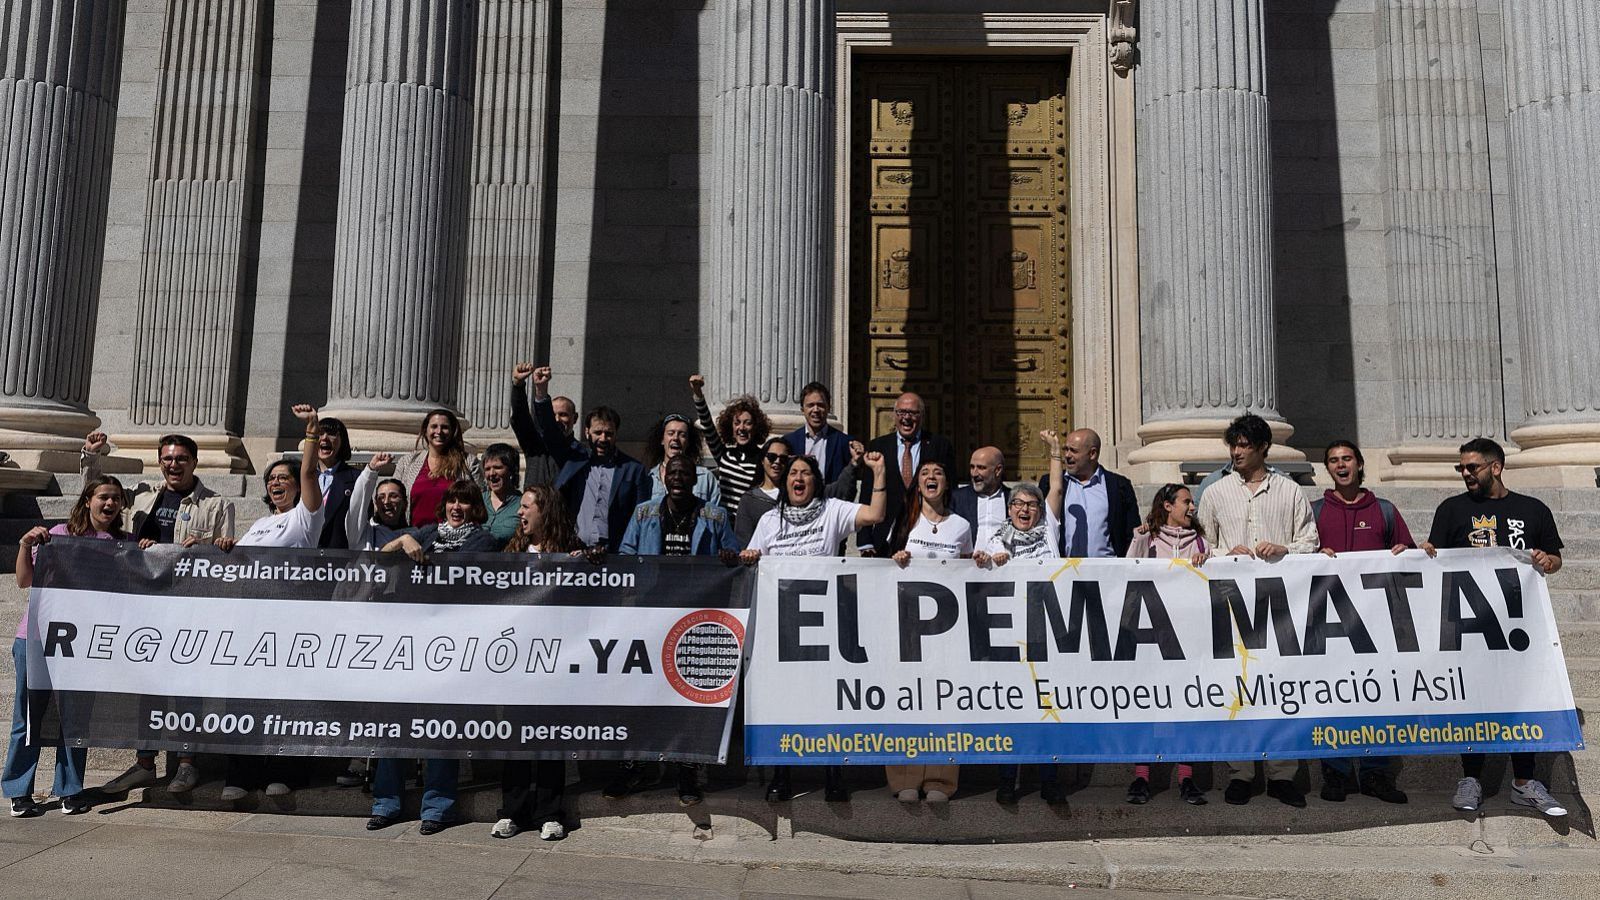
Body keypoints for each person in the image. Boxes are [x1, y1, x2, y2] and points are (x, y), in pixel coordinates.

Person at [1422, 438, 1566, 817]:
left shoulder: (1533, 509)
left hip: (1519, 626)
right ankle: (1471, 778)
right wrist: (1426, 553)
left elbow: (1554, 558)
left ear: (1496, 467)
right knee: (1472, 698)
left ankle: (1524, 781)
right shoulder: (1451, 510)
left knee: (1522, 698)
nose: (1465, 473)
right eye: (1461, 468)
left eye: (1472, 467)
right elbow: (1435, 560)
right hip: (1469, 626)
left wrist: (1546, 561)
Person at [86, 430, 233, 797]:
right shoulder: (141, 497)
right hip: (146, 606)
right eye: (167, 458)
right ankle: (145, 762)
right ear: (159, 461)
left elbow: (227, 560)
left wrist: (204, 548)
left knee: (186, 688)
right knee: (147, 688)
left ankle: (186, 762)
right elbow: (95, 496)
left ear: (194, 462)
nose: (173, 464)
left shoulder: (217, 505)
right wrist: (91, 457)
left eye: (181, 458)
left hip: (189, 609)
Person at [742, 451, 889, 802]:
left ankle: (833, 773)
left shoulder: (832, 510)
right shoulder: (768, 520)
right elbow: (751, 560)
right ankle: (781, 774)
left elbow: (875, 514)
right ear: (785, 481)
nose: (798, 478)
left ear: (815, 481)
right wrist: (750, 557)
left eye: (806, 473)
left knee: (826, 700)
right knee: (783, 701)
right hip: (782, 627)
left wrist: (879, 472)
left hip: (826, 624)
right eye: (793, 472)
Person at [1195, 413, 1318, 807]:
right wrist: (1224, 553)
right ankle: (1241, 773)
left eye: (1245, 445)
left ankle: (1283, 774)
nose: (1237, 452)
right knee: (1236, 687)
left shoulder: (1290, 491)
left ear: (1263, 447)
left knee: (1281, 685)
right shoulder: (1214, 492)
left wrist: (1284, 549)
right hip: (1231, 604)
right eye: (1234, 445)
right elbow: (1201, 548)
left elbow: (1310, 542)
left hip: (1280, 604)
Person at [609, 456, 741, 805]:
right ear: (664, 477)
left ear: (695, 479)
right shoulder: (643, 513)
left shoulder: (715, 516)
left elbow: (735, 555)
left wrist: (729, 557)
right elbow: (626, 555)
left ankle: (687, 772)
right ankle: (635, 765)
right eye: (674, 473)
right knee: (642, 694)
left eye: (686, 474)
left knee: (689, 698)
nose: (679, 478)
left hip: (696, 618)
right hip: (651, 615)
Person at [370, 483, 500, 836]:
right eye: (452, 500)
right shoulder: (427, 532)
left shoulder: (483, 540)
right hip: (411, 641)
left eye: (465, 502)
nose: (457, 507)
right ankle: (386, 803)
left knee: (440, 728)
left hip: (452, 645)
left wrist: (421, 555)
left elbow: (453, 574)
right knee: (395, 723)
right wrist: (402, 540)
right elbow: (381, 558)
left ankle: (438, 807)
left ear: (476, 508)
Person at [221, 406, 328, 800]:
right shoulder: (259, 524)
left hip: (290, 622)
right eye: (271, 479)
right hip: (251, 623)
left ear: (297, 486)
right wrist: (226, 547)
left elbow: (311, 473)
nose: (276, 483)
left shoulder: (305, 519)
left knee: (287, 698)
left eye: (284, 477)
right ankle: (239, 773)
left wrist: (311, 433)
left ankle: (286, 771)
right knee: (244, 698)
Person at [7, 476, 126, 816]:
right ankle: (19, 791)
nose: (110, 503)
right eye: (103, 496)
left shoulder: (124, 543)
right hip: (37, 639)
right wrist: (24, 545)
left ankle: (70, 790)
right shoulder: (57, 535)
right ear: (88, 500)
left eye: (116, 498)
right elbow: (24, 580)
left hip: (84, 643)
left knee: (76, 721)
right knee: (28, 718)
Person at [1314, 440, 1412, 805]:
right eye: (1333, 460)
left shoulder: (1384, 510)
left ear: (1359, 463)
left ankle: (1375, 773)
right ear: (1328, 468)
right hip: (1329, 624)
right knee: (1331, 697)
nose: (1341, 465)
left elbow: (1410, 556)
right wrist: (1313, 555)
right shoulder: (1315, 511)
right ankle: (1336, 772)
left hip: (1376, 624)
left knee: (1377, 697)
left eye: (1346, 459)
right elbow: (1298, 558)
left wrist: (1405, 553)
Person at [975, 432, 1066, 804]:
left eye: (1032, 505)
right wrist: (985, 562)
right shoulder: (994, 539)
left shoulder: (1050, 530)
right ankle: (1006, 780)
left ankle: (1049, 781)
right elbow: (978, 575)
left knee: (1046, 706)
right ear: (1009, 509)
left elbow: (1056, 488)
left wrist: (1055, 452)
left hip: (1046, 633)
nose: (1025, 510)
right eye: (1018, 504)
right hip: (1009, 636)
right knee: (1011, 706)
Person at [492, 484, 583, 841]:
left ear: (545, 511)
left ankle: (550, 813)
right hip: (516, 661)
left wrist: (585, 565)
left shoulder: (571, 552)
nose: (519, 512)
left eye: (527, 506)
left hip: (555, 661)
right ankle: (511, 812)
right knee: (515, 738)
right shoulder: (512, 552)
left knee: (549, 738)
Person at [886, 459, 971, 804]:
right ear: (917, 484)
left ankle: (940, 778)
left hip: (948, 628)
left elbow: (967, 572)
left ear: (947, 483)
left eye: (938, 472)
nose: (931, 477)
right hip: (907, 623)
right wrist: (895, 560)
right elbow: (882, 566)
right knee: (906, 699)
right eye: (924, 473)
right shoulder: (905, 521)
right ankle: (904, 777)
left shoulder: (962, 525)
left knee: (945, 700)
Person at [1123, 483, 1208, 807]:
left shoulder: (1200, 542)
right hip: (1150, 637)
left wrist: (1207, 560)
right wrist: (1139, 538)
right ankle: (1141, 776)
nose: (1192, 507)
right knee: (1147, 704)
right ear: (1168, 506)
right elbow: (1128, 573)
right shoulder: (1148, 539)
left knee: (1187, 705)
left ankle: (1186, 777)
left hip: (1189, 637)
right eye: (1187, 501)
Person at [527, 366, 651, 550]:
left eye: (609, 434)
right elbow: (551, 432)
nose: (603, 439)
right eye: (598, 432)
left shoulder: (634, 470)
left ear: (616, 434)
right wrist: (541, 391)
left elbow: (642, 518)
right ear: (587, 433)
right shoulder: (575, 459)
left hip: (616, 554)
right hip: (574, 550)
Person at [858, 392, 956, 554]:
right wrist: (865, 542)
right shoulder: (878, 446)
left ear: (922, 416)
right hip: (884, 539)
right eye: (901, 412)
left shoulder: (939, 445)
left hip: (929, 536)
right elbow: (867, 494)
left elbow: (951, 491)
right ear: (894, 415)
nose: (906, 418)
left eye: (913, 413)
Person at [1042, 428, 1141, 558]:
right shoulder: (1049, 484)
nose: (1067, 455)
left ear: (1092, 454)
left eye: (1073, 451)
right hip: (1063, 568)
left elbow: (1132, 533)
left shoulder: (1119, 486)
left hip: (1107, 567)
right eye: (1065, 449)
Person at [689, 373, 770, 520]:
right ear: (731, 427)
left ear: (756, 427)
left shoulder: (763, 459)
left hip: (746, 526)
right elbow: (707, 424)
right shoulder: (724, 455)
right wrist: (698, 393)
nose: (741, 428)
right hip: (723, 525)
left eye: (747, 423)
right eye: (737, 423)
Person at [393, 408, 483, 528]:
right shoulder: (407, 462)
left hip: (455, 535)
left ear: (453, 432)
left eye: (445, 427)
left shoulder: (468, 463)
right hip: (414, 534)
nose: (439, 431)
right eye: (434, 426)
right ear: (425, 431)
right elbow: (393, 495)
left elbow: (481, 501)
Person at [297, 408, 361, 549]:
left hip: (337, 555)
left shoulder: (356, 479)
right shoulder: (299, 477)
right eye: (320, 433)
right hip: (302, 552)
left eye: (331, 434)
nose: (324, 438)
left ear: (342, 441)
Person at [510, 363, 580, 487]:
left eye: (563, 414)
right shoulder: (534, 444)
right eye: (552, 415)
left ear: (574, 418)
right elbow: (521, 417)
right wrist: (518, 385)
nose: (557, 419)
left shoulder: (581, 453)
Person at [781, 382, 854, 485]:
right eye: (810, 405)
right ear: (802, 410)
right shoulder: (789, 441)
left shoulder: (844, 442)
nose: (816, 410)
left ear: (828, 408)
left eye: (820, 405)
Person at [644, 414, 722, 507]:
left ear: (688, 442)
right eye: (670, 433)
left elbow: (716, 512)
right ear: (662, 440)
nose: (675, 438)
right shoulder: (649, 478)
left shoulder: (706, 478)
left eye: (682, 435)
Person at [343, 452, 410, 551]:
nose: (386, 502)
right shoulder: (362, 534)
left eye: (393, 496)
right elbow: (357, 503)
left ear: (405, 503)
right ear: (375, 503)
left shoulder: (414, 535)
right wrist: (371, 471)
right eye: (381, 497)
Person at [951, 446, 1009, 550]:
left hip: (1004, 559)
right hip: (969, 559)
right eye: (972, 467)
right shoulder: (957, 498)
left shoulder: (1013, 498)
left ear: (998, 470)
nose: (974, 473)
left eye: (981, 468)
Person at [480, 443, 524, 542]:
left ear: (511, 470)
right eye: (487, 469)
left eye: (498, 467)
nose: (491, 473)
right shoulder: (478, 500)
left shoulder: (522, 504)